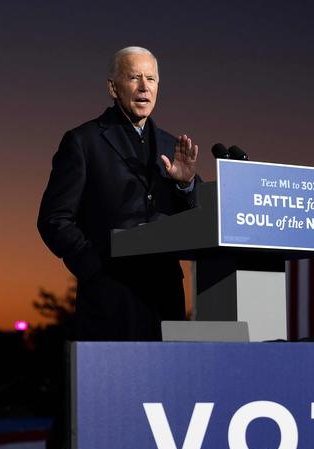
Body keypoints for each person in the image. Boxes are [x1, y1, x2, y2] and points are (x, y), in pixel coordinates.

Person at [38, 46, 200, 343]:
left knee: (166, 387)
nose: (144, 87)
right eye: (134, 77)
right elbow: (53, 219)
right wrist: (94, 270)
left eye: (151, 79)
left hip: (165, 299)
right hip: (110, 296)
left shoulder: (172, 146)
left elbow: (199, 219)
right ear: (113, 87)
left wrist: (185, 185)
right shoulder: (82, 141)